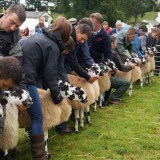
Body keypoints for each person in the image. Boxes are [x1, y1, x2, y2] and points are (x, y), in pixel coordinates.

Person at [21, 16, 72, 159]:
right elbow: (50, 75)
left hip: (13, 77)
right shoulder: (52, 46)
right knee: (38, 117)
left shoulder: (38, 36)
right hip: (26, 80)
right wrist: (57, 97)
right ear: (65, 34)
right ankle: (39, 156)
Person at [103, 36, 136, 105]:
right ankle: (114, 98)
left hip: (100, 76)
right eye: (115, 43)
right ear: (111, 43)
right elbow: (122, 68)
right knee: (126, 83)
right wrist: (131, 66)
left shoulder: (100, 51)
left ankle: (105, 99)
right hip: (107, 77)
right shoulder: (114, 54)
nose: (116, 45)